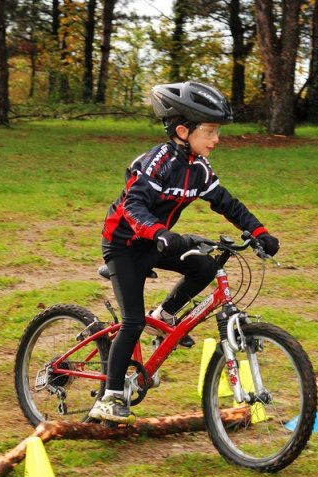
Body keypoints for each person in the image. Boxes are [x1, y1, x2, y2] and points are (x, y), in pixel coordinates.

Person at [89, 81, 280, 423]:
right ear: (182, 130)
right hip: (125, 245)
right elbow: (133, 206)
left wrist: (259, 231)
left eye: (217, 131)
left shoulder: (199, 168)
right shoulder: (155, 163)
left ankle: (163, 316)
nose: (216, 139)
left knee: (205, 268)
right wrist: (159, 232)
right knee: (132, 321)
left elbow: (228, 204)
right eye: (209, 131)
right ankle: (110, 395)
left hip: (157, 241)